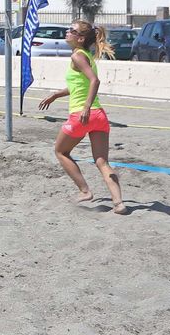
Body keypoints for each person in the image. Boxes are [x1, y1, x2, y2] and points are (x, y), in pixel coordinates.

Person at [39, 20, 127, 214]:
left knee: (61, 152)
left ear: (80, 38)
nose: (67, 32)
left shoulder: (78, 56)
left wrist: (86, 107)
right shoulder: (86, 55)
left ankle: (85, 191)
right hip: (99, 116)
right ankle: (119, 203)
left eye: (71, 31)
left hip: (82, 115)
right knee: (102, 161)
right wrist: (56, 95)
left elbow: (95, 81)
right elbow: (79, 87)